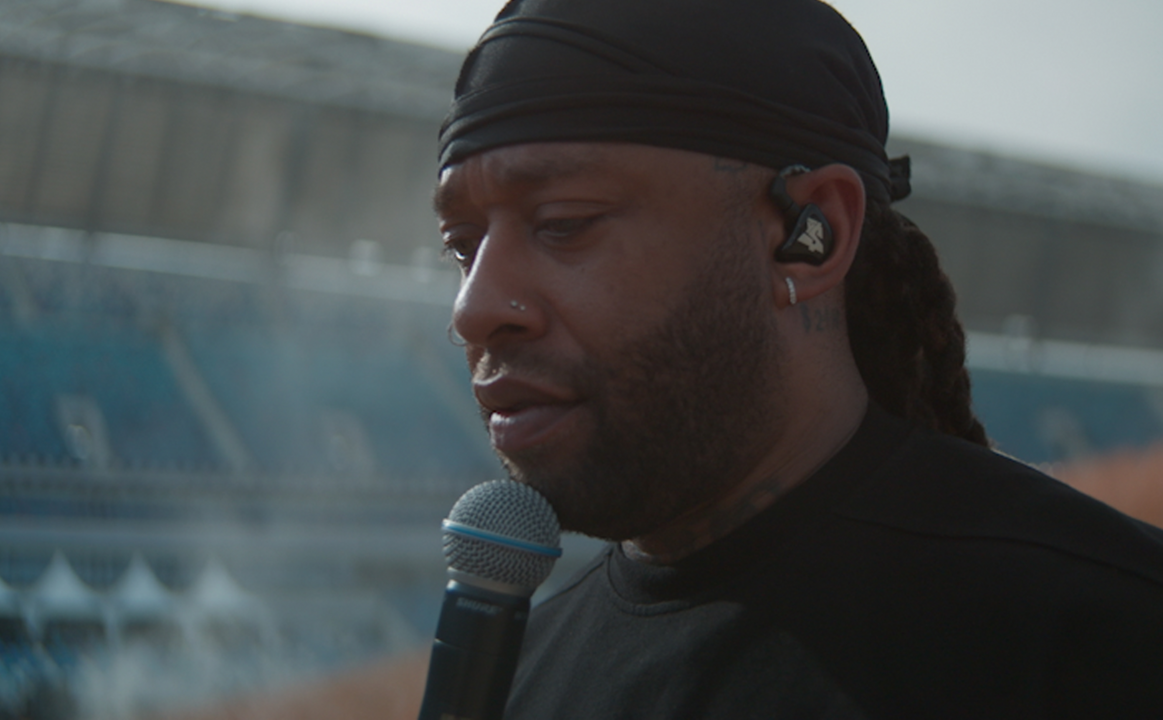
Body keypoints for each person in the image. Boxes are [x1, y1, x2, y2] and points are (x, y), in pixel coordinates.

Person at [432, 0, 1163, 717]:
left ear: (809, 237)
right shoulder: (516, 673)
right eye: (462, 248)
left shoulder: (1108, 638)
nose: (473, 309)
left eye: (564, 223)